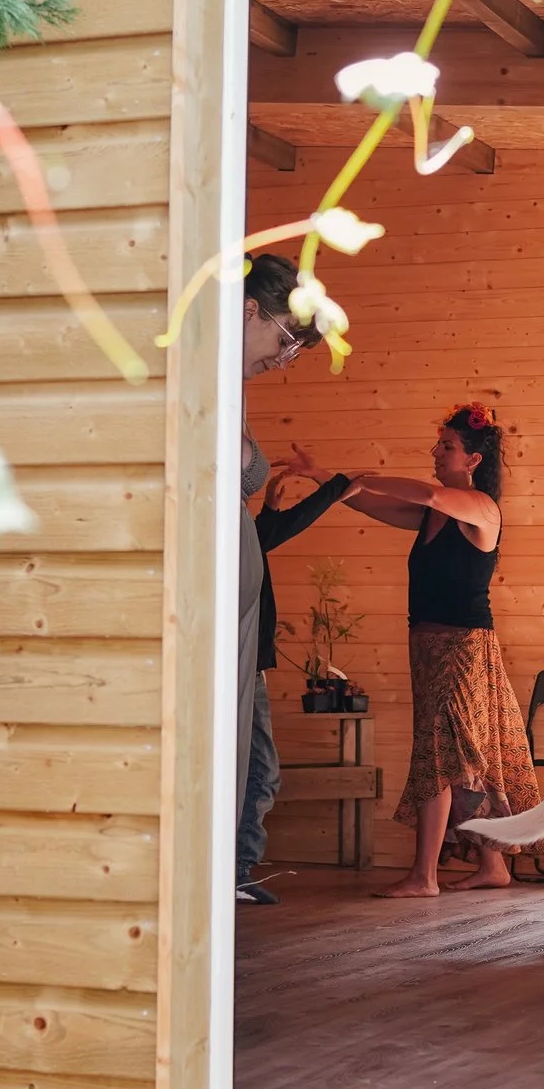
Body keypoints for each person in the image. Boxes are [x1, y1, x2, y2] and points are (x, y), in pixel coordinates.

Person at [333, 403, 541, 898]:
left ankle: (424, 875)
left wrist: (366, 476)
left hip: (462, 646)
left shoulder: (481, 508)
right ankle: (493, 865)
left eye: (446, 445)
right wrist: (332, 482)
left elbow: (427, 491)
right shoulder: (431, 515)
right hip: (426, 644)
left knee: (441, 754)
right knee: (466, 754)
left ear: (472, 460)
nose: (436, 451)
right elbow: (366, 504)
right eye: (439, 443)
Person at [234, 253, 325, 904]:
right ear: (247, 312)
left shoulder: (235, 388)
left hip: (246, 603)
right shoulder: (213, 380)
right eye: (285, 341)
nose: (286, 360)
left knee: (252, 751)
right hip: (225, 600)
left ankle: (233, 867)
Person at [236, 444, 360, 902]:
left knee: (259, 770)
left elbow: (266, 534)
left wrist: (277, 504)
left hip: (249, 663)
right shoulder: (227, 529)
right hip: (241, 664)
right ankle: (237, 870)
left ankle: (238, 868)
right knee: (260, 770)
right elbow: (277, 532)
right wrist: (335, 489)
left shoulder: (238, 530)